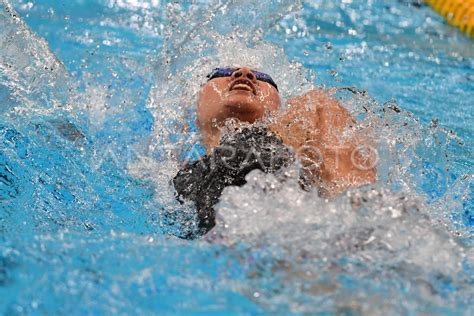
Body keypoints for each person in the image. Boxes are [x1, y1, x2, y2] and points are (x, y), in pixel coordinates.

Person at [173, 66, 376, 238]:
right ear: (197, 103)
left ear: (278, 107)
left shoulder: (301, 135)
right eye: (223, 72)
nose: (244, 73)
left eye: (263, 77)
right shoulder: (173, 176)